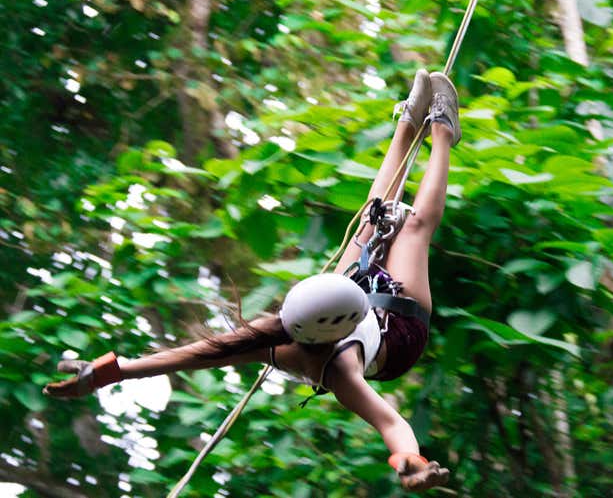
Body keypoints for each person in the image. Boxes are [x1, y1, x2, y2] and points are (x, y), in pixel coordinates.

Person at [44, 69, 460, 493]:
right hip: (398, 336)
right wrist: (410, 463)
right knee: (414, 227)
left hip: (347, 300)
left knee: (369, 223)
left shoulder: (284, 324)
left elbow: (198, 353)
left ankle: (408, 124)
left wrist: (108, 373)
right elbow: (391, 422)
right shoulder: (338, 373)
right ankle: (444, 133)